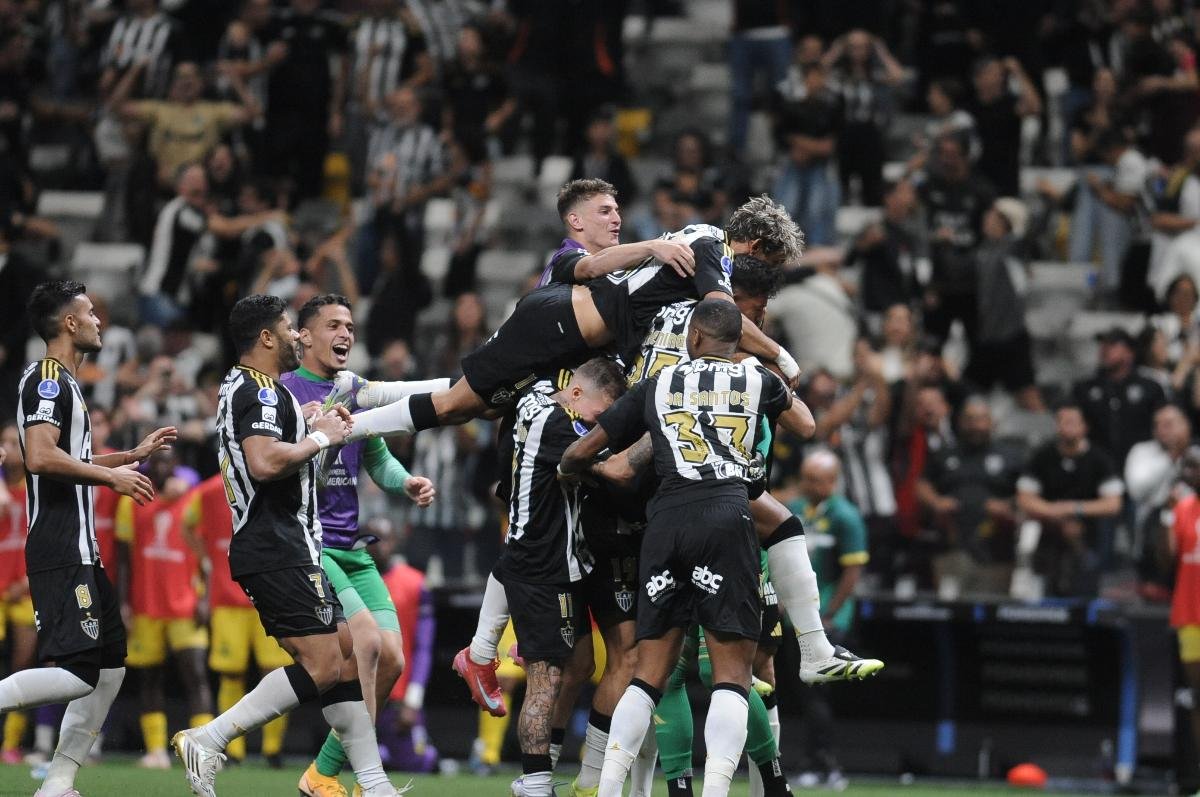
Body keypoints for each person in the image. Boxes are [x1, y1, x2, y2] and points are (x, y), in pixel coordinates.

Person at [559, 299, 818, 797]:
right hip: (726, 516)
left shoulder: (657, 386)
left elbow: (579, 453)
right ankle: (718, 791)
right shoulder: (756, 380)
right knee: (730, 676)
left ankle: (610, 790)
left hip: (666, 522)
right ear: (735, 341)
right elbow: (806, 425)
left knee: (648, 674)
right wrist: (772, 377)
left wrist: (579, 468)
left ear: (694, 337)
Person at [171, 294, 404, 797]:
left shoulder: (243, 385)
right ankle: (209, 738)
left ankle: (372, 782)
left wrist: (312, 426)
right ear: (267, 338)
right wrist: (319, 437)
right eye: (289, 328)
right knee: (323, 667)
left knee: (343, 663)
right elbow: (264, 462)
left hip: (284, 543)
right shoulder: (263, 393)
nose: (298, 336)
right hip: (277, 545)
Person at [339, 193, 805, 438]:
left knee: (482, 406)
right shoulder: (712, 247)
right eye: (768, 264)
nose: (763, 277)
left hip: (577, 335)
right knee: (456, 406)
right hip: (557, 322)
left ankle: (371, 393)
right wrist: (782, 359)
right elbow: (720, 315)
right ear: (757, 246)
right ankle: (342, 430)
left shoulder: (700, 241)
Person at [7, 279, 176, 797]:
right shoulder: (48, 380)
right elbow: (38, 457)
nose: (99, 320)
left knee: (109, 667)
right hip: (60, 545)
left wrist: (125, 457)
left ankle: (58, 782)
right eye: (90, 312)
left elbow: (64, 458)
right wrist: (112, 479)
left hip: (82, 549)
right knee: (81, 672)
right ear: (69, 324)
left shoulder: (67, 383)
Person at [282, 293, 436, 797]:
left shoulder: (352, 390)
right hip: (312, 543)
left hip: (354, 548)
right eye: (333, 325)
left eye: (349, 325)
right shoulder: (281, 393)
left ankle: (321, 774)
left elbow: (377, 456)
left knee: (391, 658)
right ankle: (372, 781)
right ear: (303, 336)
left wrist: (405, 481)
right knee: (365, 644)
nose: (345, 334)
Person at [495, 358, 627, 797]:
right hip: (539, 568)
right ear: (574, 394)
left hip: (559, 566)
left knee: (576, 666)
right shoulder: (557, 425)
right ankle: (534, 781)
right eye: (598, 415)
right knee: (545, 678)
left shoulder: (542, 402)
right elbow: (615, 469)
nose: (598, 426)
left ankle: (538, 775)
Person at [181, 473, 292, 767]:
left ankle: (272, 750)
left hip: (268, 596)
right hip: (228, 599)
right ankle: (234, 750)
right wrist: (207, 561)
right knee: (233, 674)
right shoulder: (206, 492)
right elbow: (187, 524)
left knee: (275, 672)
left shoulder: (271, 482)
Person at [114, 448, 212, 769]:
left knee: (195, 676)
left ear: (178, 466)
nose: (162, 465)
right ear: (148, 466)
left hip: (185, 603)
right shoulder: (130, 501)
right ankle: (156, 751)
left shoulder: (192, 499)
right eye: (156, 460)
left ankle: (202, 751)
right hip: (146, 605)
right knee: (149, 679)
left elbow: (205, 554)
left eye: (169, 460)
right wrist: (124, 603)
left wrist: (203, 597)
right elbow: (124, 560)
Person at [787, 450, 870, 788]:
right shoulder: (795, 509)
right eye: (805, 477)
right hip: (794, 614)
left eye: (815, 479)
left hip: (828, 618)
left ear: (832, 482)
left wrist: (830, 614)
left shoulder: (846, 516)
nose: (808, 485)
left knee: (817, 693)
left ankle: (825, 763)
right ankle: (812, 760)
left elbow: (852, 572)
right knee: (802, 692)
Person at [917, 398, 1023, 596]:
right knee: (947, 607)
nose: (976, 425)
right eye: (970, 419)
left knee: (991, 607)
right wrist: (936, 502)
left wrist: (1007, 506)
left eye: (981, 419)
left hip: (995, 549)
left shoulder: (1011, 456)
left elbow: (1027, 494)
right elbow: (922, 484)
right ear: (960, 422)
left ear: (992, 422)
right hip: (950, 545)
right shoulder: (944, 453)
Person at [1017, 402, 1124, 597]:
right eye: (1061, 421)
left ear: (1084, 427)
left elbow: (1113, 504)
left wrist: (1073, 509)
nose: (1065, 427)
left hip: (1089, 535)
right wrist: (1054, 513)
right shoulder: (1043, 456)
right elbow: (1024, 498)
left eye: (1072, 422)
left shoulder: (1100, 459)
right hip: (1048, 531)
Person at [1073, 326, 1168, 467]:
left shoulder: (1150, 388)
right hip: (1097, 466)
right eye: (1103, 344)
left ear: (1130, 352)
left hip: (1141, 464)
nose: (1104, 349)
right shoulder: (1085, 389)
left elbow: (1162, 424)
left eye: (1112, 344)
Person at [0, 422, 34, 764]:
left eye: (15, 442)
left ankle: (10, 743)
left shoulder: (37, 484)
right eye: (4, 442)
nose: (8, 448)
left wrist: (26, 580)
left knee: (22, 665)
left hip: (24, 587)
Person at [1167, 445, 1200, 786]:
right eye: (1188, 467)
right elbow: (1167, 562)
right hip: (1191, 614)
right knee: (1197, 698)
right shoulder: (1183, 510)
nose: (1191, 473)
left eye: (1196, 467)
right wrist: (1167, 517)